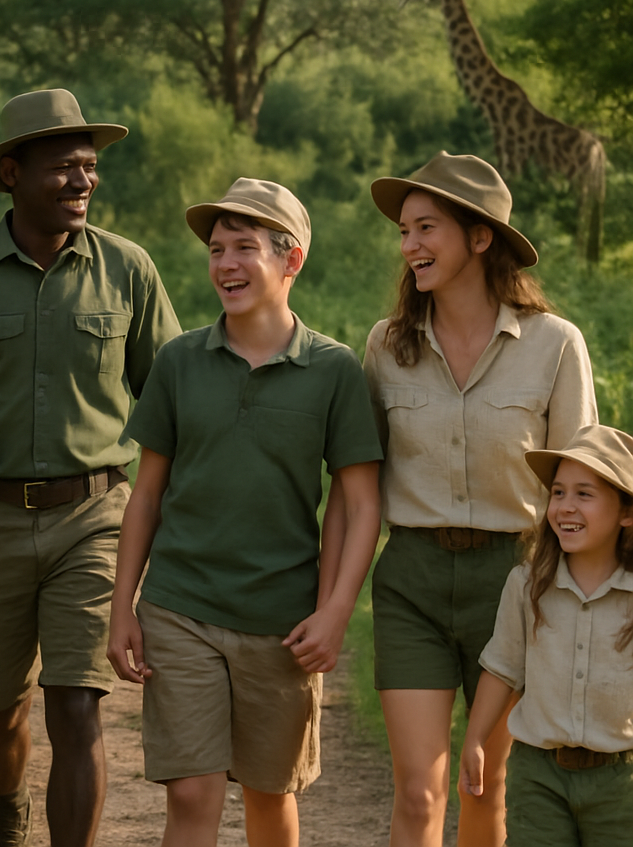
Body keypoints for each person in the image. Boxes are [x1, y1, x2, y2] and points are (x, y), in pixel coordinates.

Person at [0, 88, 182, 847]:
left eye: (89, 168)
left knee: (77, 703)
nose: (82, 181)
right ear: (12, 174)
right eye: (63, 169)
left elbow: (172, 400)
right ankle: (5, 804)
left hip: (94, 518)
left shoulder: (129, 271)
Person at [107, 177, 383, 847]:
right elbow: (146, 495)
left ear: (291, 260)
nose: (225, 264)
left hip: (281, 624)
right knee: (193, 794)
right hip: (180, 609)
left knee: (269, 795)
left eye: (245, 248)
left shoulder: (334, 371)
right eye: (217, 249)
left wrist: (335, 610)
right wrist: (124, 607)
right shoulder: (179, 362)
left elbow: (360, 501)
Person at [362, 152, 598, 847]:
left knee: (487, 789)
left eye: (426, 228)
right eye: (404, 231)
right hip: (413, 584)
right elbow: (361, 488)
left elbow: (579, 492)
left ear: (481, 237)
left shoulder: (556, 346)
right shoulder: (385, 346)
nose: (409, 247)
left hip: (518, 585)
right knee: (418, 790)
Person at [460, 424, 633, 847]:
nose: (566, 507)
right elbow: (502, 666)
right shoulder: (527, 584)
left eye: (584, 494)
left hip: (622, 783)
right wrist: (475, 739)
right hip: (539, 775)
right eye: (558, 492)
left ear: (627, 513)